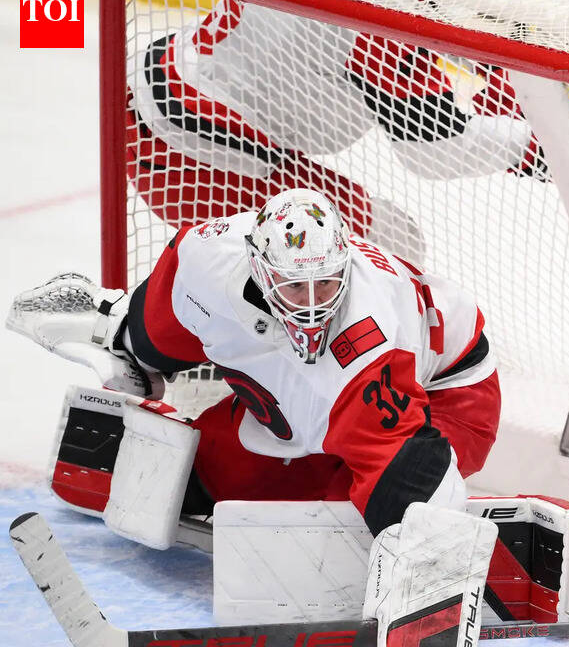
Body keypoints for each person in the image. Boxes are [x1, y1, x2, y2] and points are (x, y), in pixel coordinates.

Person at [8, 188, 501, 642]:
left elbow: (412, 481)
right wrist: (122, 342)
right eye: (296, 287)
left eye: (327, 283)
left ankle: (468, 547)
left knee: (340, 529)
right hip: (322, 391)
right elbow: (155, 333)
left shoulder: (368, 351)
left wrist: (431, 598)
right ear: (260, 269)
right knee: (215, 470)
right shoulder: (205, 263)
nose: (313, 306)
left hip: (450, 393)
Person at [126, 0, 544, 261]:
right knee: (389, 247)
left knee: (381, 238)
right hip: (193, 157)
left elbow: (407, 23)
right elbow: (435, 150)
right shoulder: (374, 14)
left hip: (162, 105)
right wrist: (532, 148)